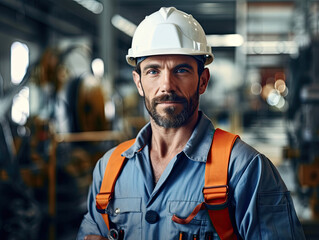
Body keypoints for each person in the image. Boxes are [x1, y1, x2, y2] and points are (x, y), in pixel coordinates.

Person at [77, 7, 305, 240]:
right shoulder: (108, 170)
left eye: (181, 70)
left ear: (203, 81)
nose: (166, 85)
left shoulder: (245, 170)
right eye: (153, 71)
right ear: (138, 82)